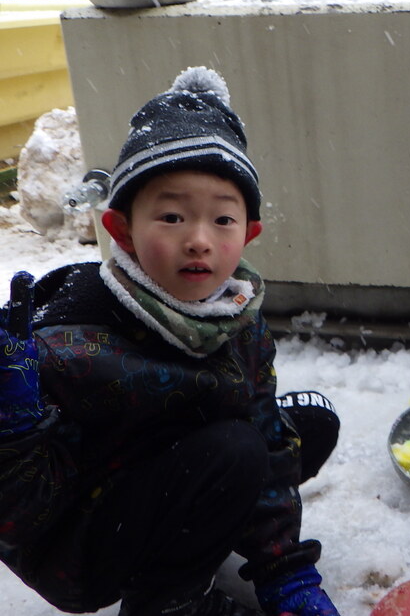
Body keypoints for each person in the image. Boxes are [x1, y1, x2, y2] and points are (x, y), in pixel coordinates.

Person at [0, 67, 343, 615]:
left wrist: (286, 571)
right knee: (234, 449)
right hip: (79, 543)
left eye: (223, 218)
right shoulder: (71, 335)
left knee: (300, 427)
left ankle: (201, 530)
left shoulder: (236, 317)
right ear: (122, 230)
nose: (199, 240)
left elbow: (265, 435)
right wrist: (13, 427)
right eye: (172, 215)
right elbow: (22, 515)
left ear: (247, 234)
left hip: (167, 478)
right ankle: (166, 603)